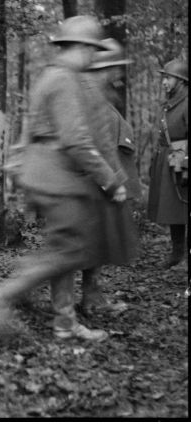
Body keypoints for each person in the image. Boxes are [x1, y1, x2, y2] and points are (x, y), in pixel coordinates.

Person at [0, 15, 127, 342]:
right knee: (66, 251)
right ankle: (0, 296)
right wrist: (111, 181)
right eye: (91, 49)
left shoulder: (52, 76)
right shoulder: (65, 80)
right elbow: (76, 140)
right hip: (57, 175)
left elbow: (32, 130)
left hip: (46, 172)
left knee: (67, 248)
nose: (93, 57)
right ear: (82, 47)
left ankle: (64, 322)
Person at [79, 41, 140, 315]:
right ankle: (89, 299)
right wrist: (112, 180)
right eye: (116, 68)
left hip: (99, 178)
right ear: (105, 68)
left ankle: (90, 296)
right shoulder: (90, 94)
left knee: (95, 241)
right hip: (93, 180)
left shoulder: (101, 93)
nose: (119, 74)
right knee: (84, 243)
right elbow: (94, 143)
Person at [147, 59, 188, 268]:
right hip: (169, 159)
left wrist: (185, 159)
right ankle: (177, 252)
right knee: (174, 209)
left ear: (180, 81)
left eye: (168, 78)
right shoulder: (170, 103)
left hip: (183, 159)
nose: (164, 82)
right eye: (164, 77)